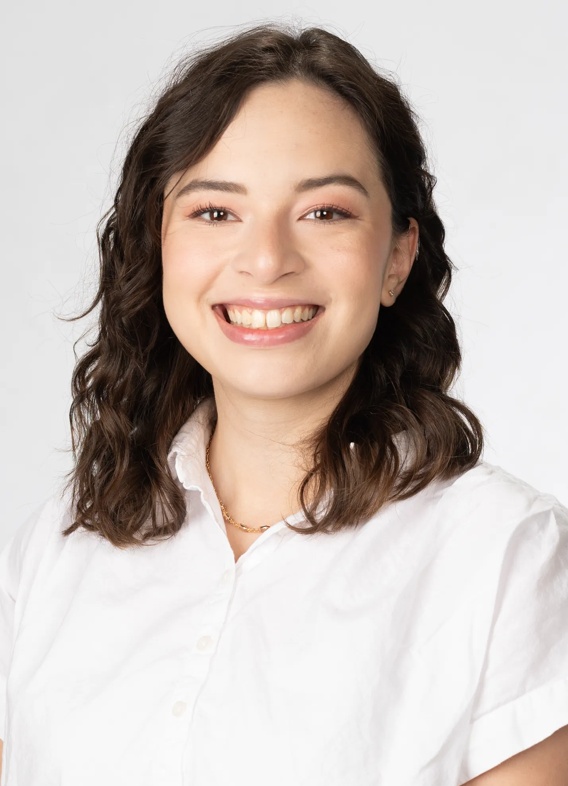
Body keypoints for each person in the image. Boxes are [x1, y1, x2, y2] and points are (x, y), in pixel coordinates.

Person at [0, 23, 567, 786]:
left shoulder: (505, 555)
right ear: (157, 243)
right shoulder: (60, 547)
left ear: (397, 258)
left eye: (325, 212)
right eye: (215, 212)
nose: (267, 259)